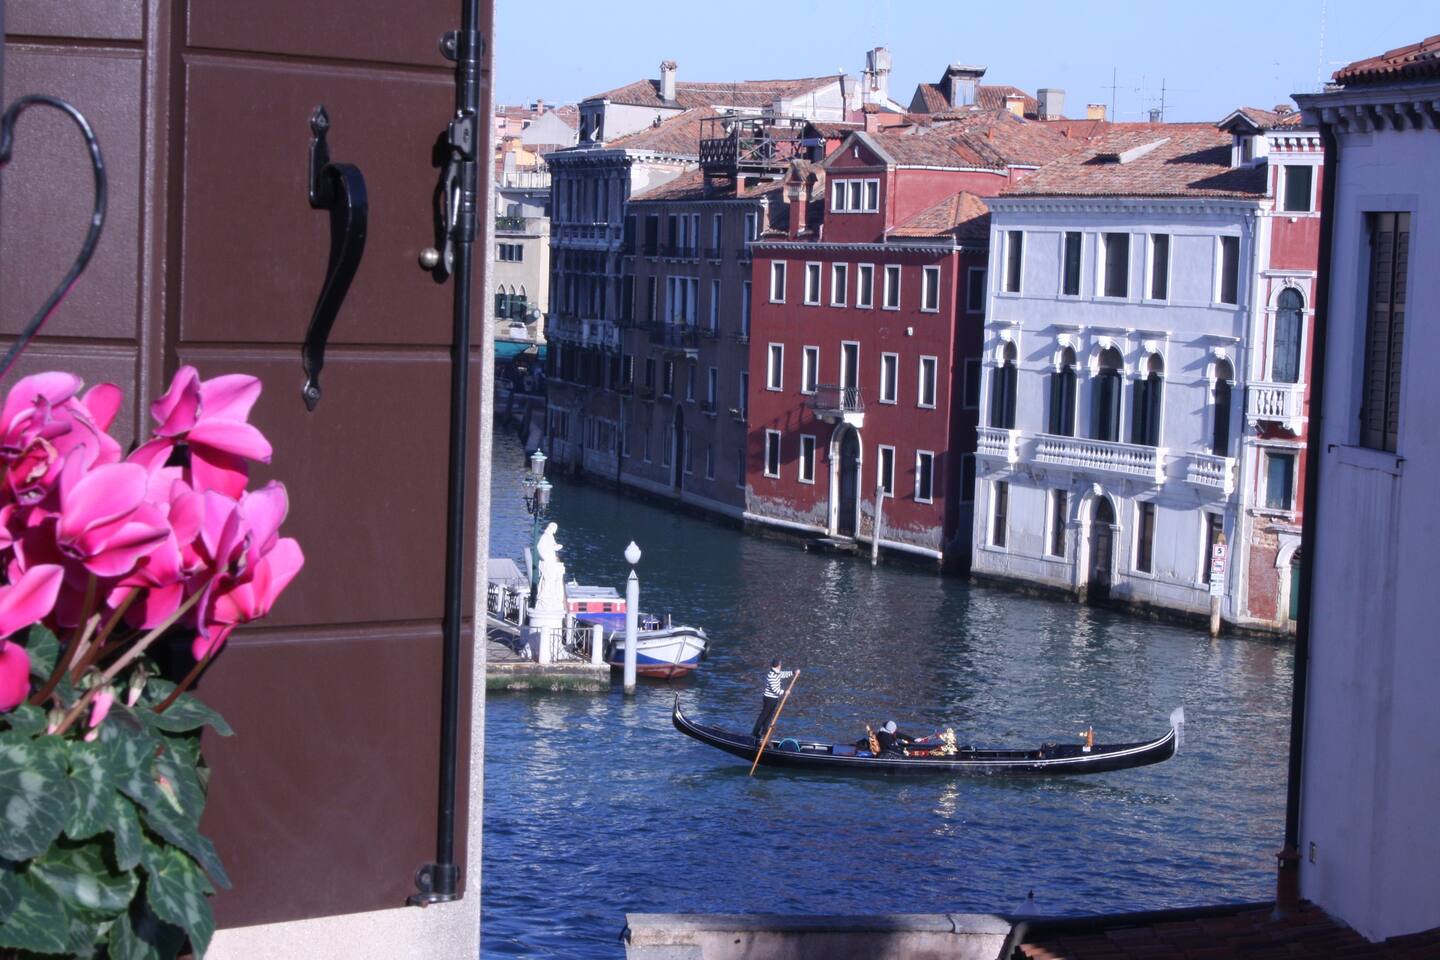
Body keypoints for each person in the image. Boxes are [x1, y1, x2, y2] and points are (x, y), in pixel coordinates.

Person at [751, 657, 795, 739]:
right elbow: (774, 689)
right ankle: (755, 732)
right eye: (780, 664)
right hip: (769, 699)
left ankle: (764, 734)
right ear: (778, 665)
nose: (781, 666)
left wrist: (793, 672)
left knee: (769, 716)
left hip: (773, 699)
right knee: (764, 716)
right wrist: (784, 692)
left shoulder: (776, 673)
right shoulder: (772, 675)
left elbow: (783, 674)